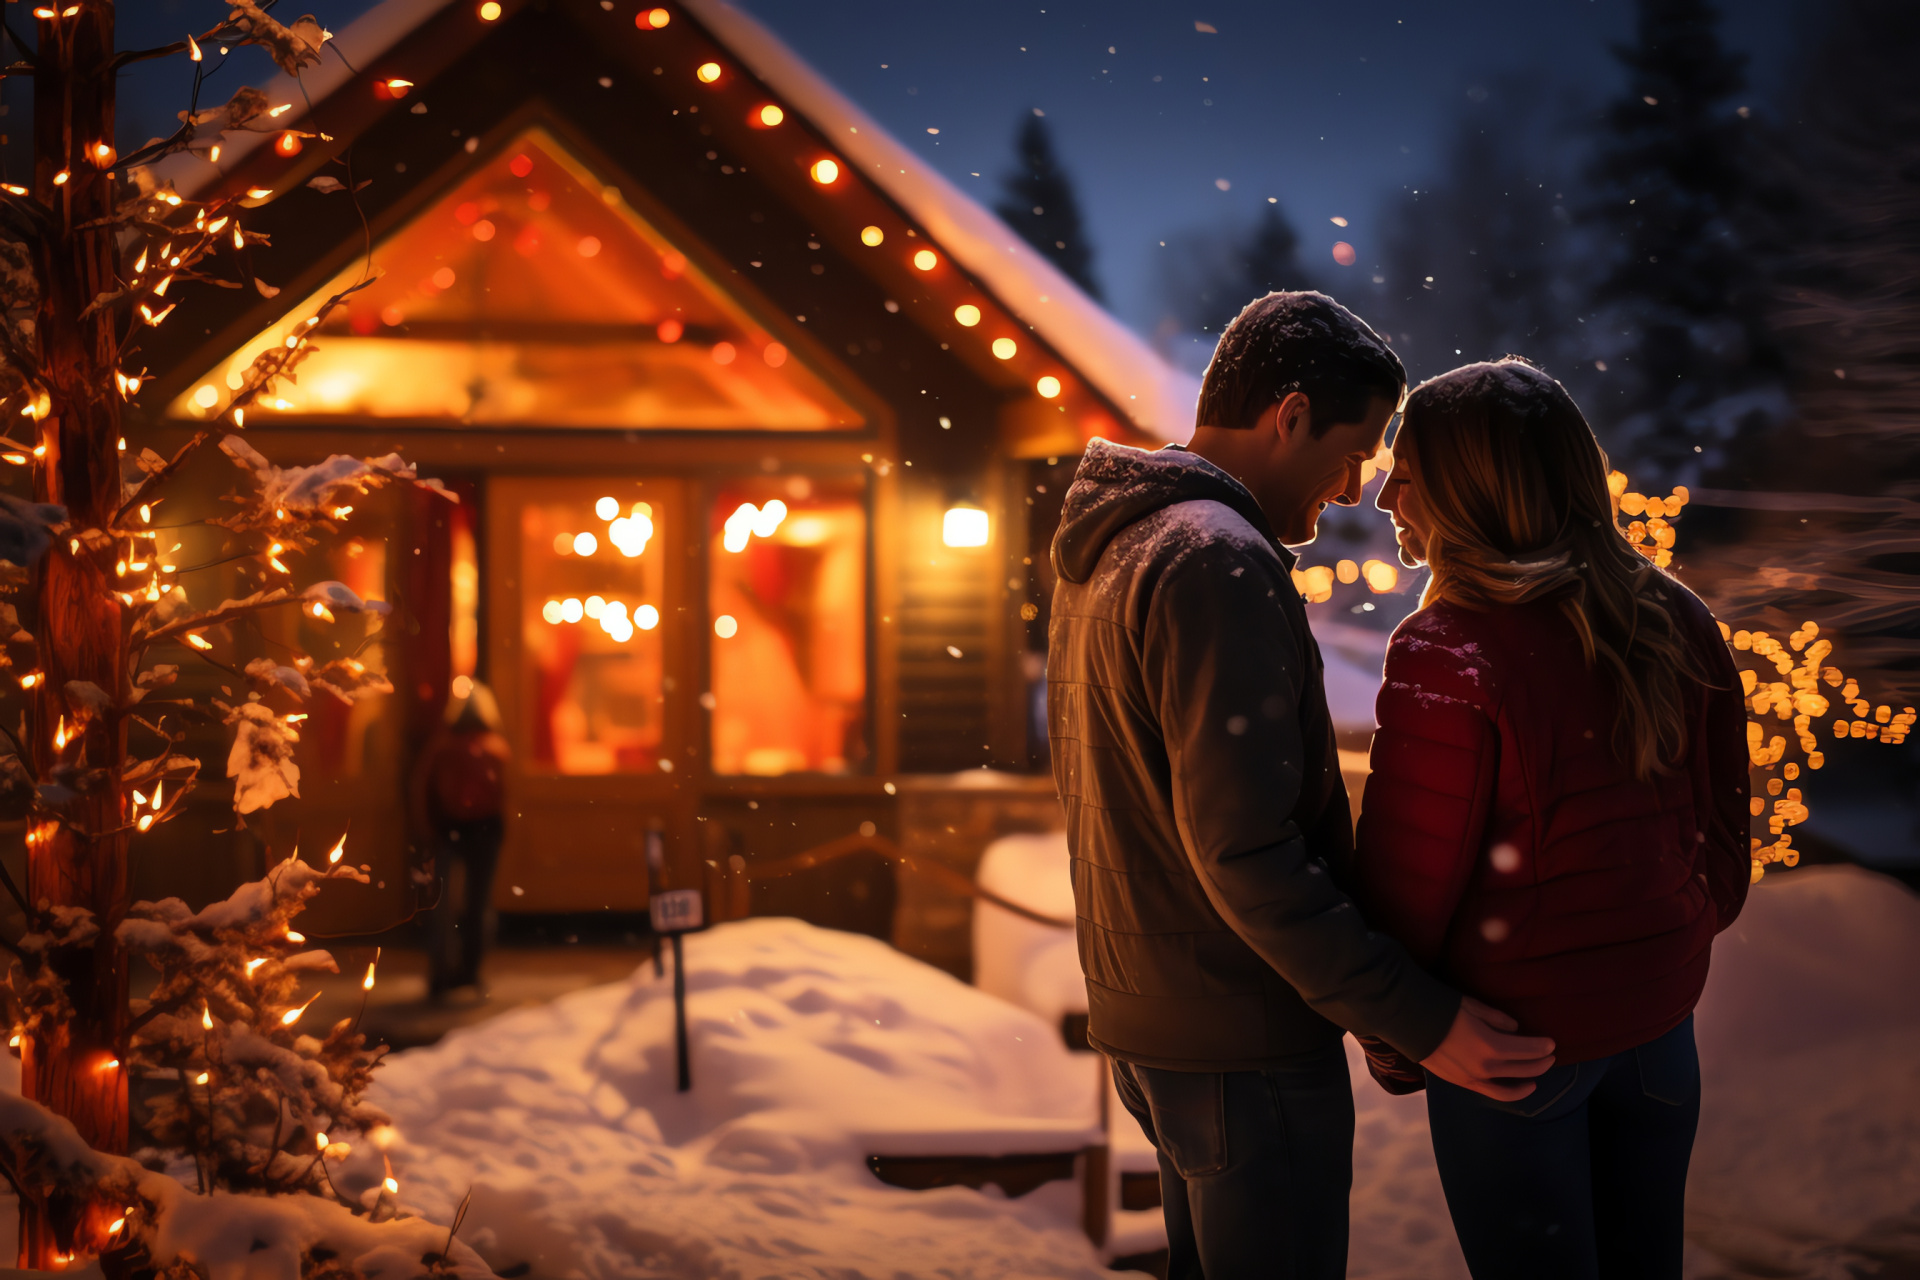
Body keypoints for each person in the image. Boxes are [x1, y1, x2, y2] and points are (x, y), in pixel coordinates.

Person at [1047, 292, 1556, 1280]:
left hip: (1160, 1023)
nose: (1360, 488)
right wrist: (1420, 1016)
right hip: (1242, 1040)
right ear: (1288, 416)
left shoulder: (1120, 544)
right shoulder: (1216, 559)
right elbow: (1250, 850)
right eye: (1356, 449)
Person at [1358, 358, 1750, 1279]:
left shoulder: (1448, 649)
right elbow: (1728, 828)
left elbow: (1410, 886)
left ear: (1471, 488)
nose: (1382, 496)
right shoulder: (1675, 616)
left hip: (1513, 1056)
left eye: (1405, 471)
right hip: (1659, 1035)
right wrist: (1679, 932)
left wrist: (1398, 1033)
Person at [412, 680, 511, 1002]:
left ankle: (439, 975)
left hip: (448, 829)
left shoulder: (442, 747)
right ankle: (470, 971)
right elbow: (506, 796)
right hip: (485, 831)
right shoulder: (495, 746)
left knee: (442, 905)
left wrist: (428, 830)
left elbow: (422, 788)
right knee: (478, 904)